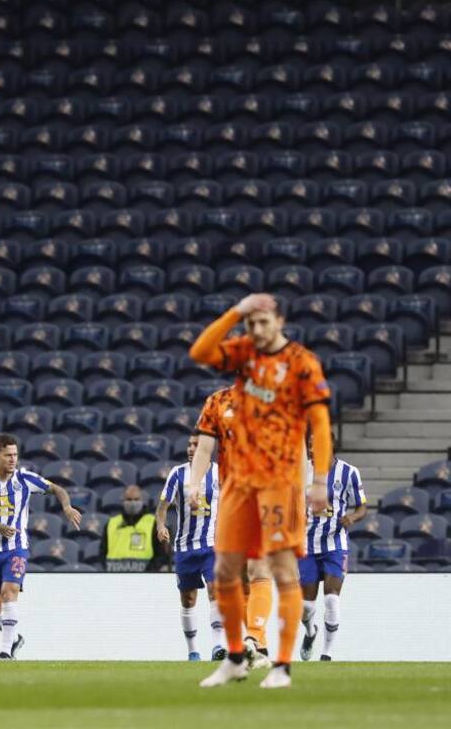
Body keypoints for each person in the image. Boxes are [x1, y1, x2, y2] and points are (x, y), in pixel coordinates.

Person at [188, 293, 333, 689]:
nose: (256, 331)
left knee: (279, 570)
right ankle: (236, 656)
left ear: (280, 322)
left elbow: (319, 425)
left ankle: (279, 663)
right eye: (251, 325)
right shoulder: (245, 357)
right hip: (238, 484)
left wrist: (318, 481)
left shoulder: (301, 363)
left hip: (279, 482)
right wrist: (236, 311)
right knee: (224, 571)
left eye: (263, 322)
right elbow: (200, 350)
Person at [0, 434, 81, 659]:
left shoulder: (25, 479)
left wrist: (67, 507)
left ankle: (5, 651)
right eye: (8, 455)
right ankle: (14, 637)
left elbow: (58, 489)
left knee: (9, 592)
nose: (13, 459)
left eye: (15, 455)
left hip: (16, 547)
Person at [192, 385, 273, 670]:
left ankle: (252, 637)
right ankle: (259, 647)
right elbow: (204, 449)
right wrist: (194, 484)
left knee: (258, 568)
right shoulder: (216, 401)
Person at [156, 434, 224, 661]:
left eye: (196, 445)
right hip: (185, 548)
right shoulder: (178, 473)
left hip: (212, 546)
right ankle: (193, 650)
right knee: (188, 600)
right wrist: (160, 525)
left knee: (216, 592)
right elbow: (163, 505)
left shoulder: (220, 473)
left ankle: (217, 646)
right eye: (189, 445)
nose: (191, 449)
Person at [300, 453, 366, 661]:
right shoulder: (301, 471)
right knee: (306, 607)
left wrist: (353, 516)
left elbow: (362, 506)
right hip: (307, 546)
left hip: (335, 545)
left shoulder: (349, 472)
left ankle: (326, 654)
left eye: (315, 445)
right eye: (310, 446)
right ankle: (311, 632)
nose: (312, 450)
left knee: (331, 598)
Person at [100, 485, 168, 572]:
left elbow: (161, 554)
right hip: (115, 576)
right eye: (129, 499)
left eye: (136, 499)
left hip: (143, 577)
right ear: (123, 500)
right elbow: (102, 553)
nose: (133, 503)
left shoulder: (153, 523)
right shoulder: (111, 523)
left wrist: (149, 572)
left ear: (142, 500)